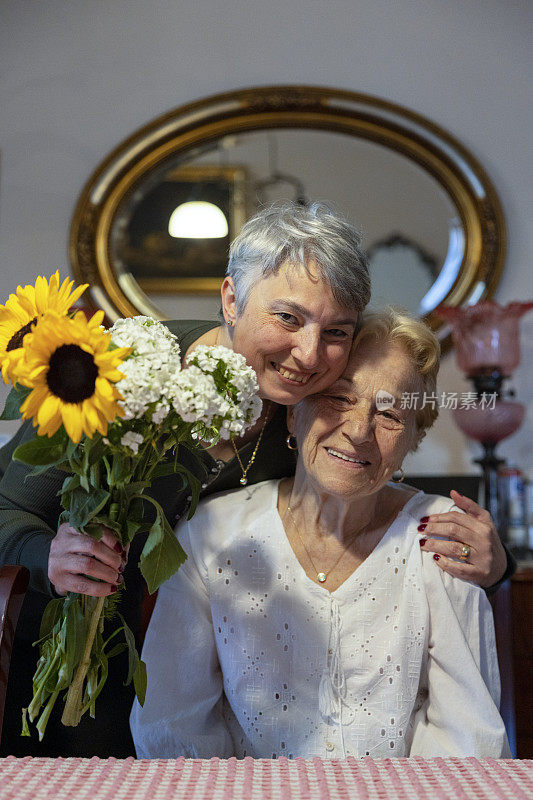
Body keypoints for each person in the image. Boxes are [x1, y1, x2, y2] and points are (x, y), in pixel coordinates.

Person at [0, 204, 511, 756]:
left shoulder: (303, 409)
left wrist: (491, 561)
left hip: (181, 660)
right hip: (72, 651)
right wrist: (51, 554)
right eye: (287, 319)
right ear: (230, 299)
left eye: (335, 330)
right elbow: (6, 505)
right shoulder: (118, 372)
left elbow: (365, 482)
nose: (310, 354)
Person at [131, 308, 510, 759]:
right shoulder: (210, 533)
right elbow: (173, 727)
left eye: (389, 413)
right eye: (339, 398)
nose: (358, 431)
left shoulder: (441, 535)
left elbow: (467, 738)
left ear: (413, 437)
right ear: (293, 416)